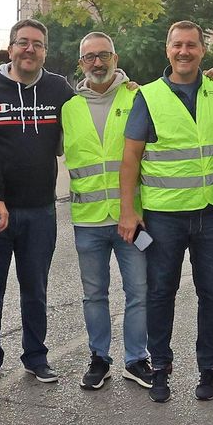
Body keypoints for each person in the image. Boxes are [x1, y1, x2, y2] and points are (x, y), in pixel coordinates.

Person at [117, 21, 213, 403]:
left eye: (192, 45)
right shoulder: (149, 96)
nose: (184, 51)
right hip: (164, 215)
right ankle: (161, 370)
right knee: (160, 293)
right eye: (177, 45)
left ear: (203, 50)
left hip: (212, 212)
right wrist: (128, 212)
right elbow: (130, 158)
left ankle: (208, 371)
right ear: (167, 50)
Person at [0, 19, 73, 387]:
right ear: (10, 48)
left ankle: (36, 356)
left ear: (45, 50)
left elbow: (98, 102)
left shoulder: (60, 89)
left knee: (36, 288)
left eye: (37, 44)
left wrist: (127, 84)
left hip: (41, 208)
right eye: (23, 43)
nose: (29, 49)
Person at [63, 32, 154, 391]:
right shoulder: (68, 108)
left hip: (131, 219)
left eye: (103, 55)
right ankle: (99, 358)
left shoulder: (138, 96)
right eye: (89, 58)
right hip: (87, 222)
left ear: (115, 58)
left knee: (139, 292)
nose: (97, 63)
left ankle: (136, 359)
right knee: (94, 295)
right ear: (81, 63)